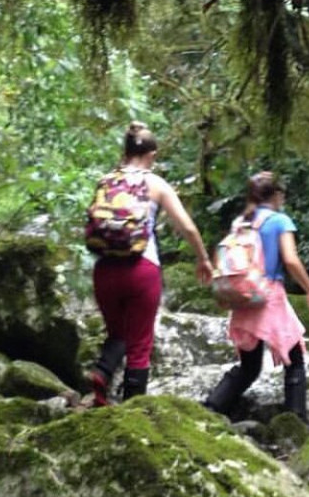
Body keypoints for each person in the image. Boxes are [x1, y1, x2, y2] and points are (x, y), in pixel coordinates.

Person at [87, 121, 214, 406]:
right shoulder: (156, 184)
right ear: (152, 155)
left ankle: (101, 373)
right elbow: (189, 229)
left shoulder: (105, 181)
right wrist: (203, 259)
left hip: (104, 270)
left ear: (125, 151)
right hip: (142, 270)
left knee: (117, 333)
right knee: (140, 343)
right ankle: (133, 410)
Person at [203, 173, 309, 421]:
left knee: (249, 366)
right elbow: (290, 259)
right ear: (277, 195)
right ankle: (295, 419)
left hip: (245, 296)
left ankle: (213, 407)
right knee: (294, 357)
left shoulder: (241, 222)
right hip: (268, 296)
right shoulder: (280, 221)